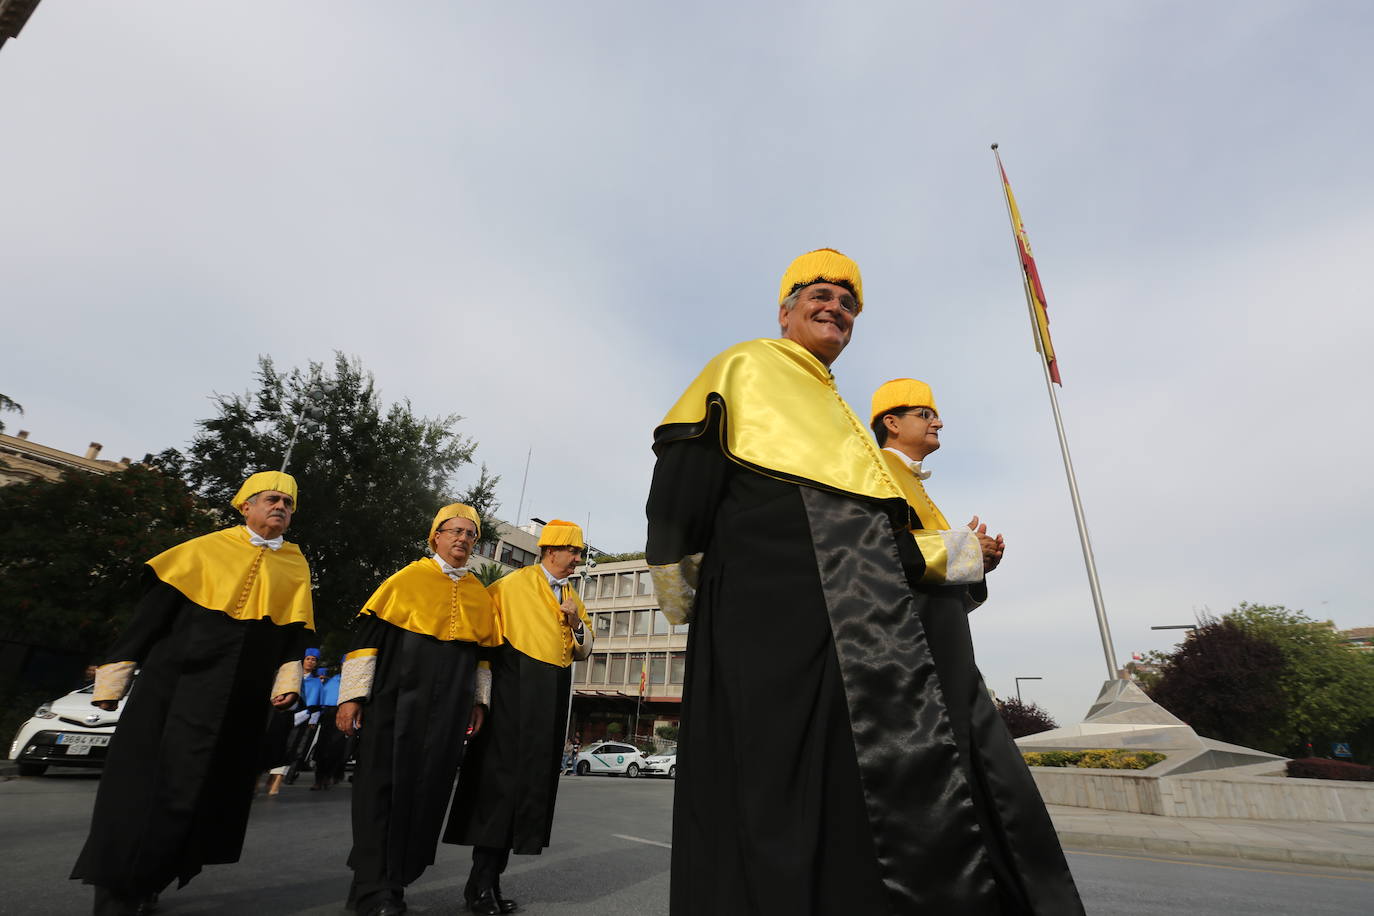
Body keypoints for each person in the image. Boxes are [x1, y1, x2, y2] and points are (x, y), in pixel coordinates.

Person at [644, 249, 1084, 914]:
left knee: (846, 821)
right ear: (785, 309)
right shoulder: (742, 366)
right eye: (820, 295)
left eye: (849, 304)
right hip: (757, 628)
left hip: (845, 640)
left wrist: (963, 559)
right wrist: (687, 600)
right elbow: (681, 492)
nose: (836, 308)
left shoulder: (839, 413)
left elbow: (879, 549)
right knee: (764, 809)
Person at [71, 471, 315, 916]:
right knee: (142, 792)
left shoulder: (295, 565)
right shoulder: (202, 550)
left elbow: (293, 637)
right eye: (272, 499)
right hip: (172, 693)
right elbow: (147, 621)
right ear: (246, 506)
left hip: (237, 705)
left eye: (288, 503)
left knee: (200, 798)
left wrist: (287, 684)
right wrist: (111, 681)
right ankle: (115, 893)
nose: (280, 507)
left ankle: (153, 876)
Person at [336, 503, 501, 916]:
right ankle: (374, 891)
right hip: (394, 704)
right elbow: (366, 641)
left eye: (470, 534)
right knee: (382, 791)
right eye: (454, 531)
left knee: (428, 792)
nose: (462, 538)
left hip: (447, 715)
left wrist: (479, 702)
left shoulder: (479, 596)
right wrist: (353, 697)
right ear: (436, 537)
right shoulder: (404, 580)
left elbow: (482, 656)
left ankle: (393, 886)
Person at [445, 519, 594, 915]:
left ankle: (490, 883)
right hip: (512, 703)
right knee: (500, 792)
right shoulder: (509, 587)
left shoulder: (572, 597)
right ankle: (479, 886)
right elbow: (482, 647)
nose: (578, 559)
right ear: (550, 551)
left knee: (526, 794)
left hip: (548, 705)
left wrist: (575, 622)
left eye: (580, 553)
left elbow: (584, 648)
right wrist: (479, 700)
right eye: (573, 551)